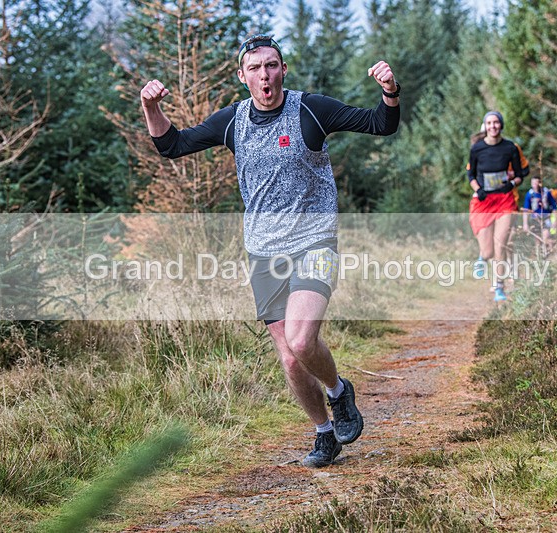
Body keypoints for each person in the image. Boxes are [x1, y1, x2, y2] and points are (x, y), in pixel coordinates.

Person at [140, 35, 400, 467]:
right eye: (256, 68)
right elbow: (173, 146)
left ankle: (339, 393)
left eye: (272, 65)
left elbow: (381, 124)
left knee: (301, 340)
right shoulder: (232, 121)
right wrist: (151, 108)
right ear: (243, 77)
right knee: (290, 358)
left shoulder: (310, 109)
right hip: (263, 252)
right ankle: (323, 434)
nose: (266, 75)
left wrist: (389, 90)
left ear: (283, 70)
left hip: (314, 241)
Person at [467, 111, 529, 302]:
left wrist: (511, 184)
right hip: (484, 201)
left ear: (501, 125)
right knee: (488, 252)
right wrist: (478, 189)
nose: (493, 126)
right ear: (485, 126)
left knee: (501, 244)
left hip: (504, 200)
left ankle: (499, 288)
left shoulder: (510, 147)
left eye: (496, 122)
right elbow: (470, 175)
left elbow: (521, 173)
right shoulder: (477, 149)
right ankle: (482, 259)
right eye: (489, 123)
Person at [521, 176, 557, 253]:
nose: (535, 185)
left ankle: (548, 252)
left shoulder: (546, 193)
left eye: (536, 182)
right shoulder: (530, 194)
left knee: (545, 238)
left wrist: (554, 221)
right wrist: (525, 224)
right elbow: (526, 210)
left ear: (540, 183)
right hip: (535, 219)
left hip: (546, 218)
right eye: (533, 183)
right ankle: (539, 257)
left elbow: (554, 207)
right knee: (537, 241)